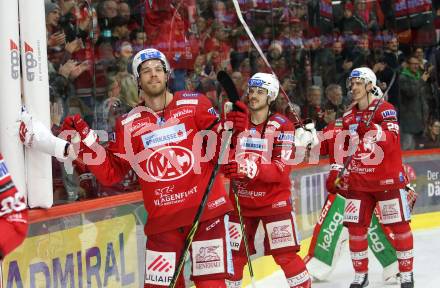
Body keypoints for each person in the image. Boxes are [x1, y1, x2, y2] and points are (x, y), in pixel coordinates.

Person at [60, 48, 248, 288]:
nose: (153, 75)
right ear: (138, 80)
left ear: (167, 74)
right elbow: (111, 173)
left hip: (206, 216)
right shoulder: (128, 123)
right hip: (163, 224)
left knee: (211, 284)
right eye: (146, 71)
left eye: (158, 69)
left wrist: (236, 129)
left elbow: (221, 152)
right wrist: (86, 141)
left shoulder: (196, 104)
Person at [223, 73, 312, 288]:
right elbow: (221, 157)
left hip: (274, 203)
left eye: (260, 92)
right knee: (234, 258)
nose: (253, 96)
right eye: (251, 91)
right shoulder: (238, 121)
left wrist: (246, 167)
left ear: (271, 96)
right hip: (241, 203)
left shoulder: (283, 125)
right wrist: (227, 131)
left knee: (286, 256)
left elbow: (280, 169)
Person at [330, 67, 414, 288]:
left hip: (387, 181)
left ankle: (406, 273)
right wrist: (336, 171)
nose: (353, 87)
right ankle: (361, 275)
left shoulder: (385, 109)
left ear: (369, 85)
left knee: (399, 227)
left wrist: (376, 133)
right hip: (358, 183)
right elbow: (342, 147)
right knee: (356, 230)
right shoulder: (348, 115)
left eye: (358, 83)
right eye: (352, 83)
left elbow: (393, 138)